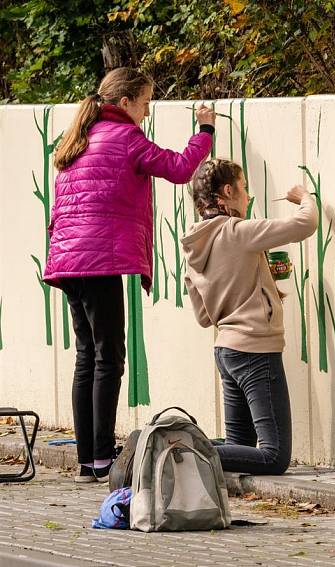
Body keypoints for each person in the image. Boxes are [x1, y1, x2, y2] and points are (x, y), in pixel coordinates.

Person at [44, 67, 215, 483]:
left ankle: (88, 458)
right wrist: (205, 131)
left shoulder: (78, 138)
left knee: (87, 357)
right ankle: (102, 454)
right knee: (110, 358)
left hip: (68, 262)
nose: (147, 111)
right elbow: (178, 168)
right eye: (144, 102)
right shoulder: (125, 138)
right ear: (124, 103)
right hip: (99, 261)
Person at [181, 158, 317, 475]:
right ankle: (182, 449)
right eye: (243, 189)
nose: (247, 197)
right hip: (256, 349)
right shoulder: (237, 231)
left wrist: (256, 279)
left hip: (225, 350)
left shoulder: (192, 244)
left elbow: (203, 316)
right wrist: (305, 198)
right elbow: (305, 225)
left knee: (237, 444)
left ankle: (178, 445)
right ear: (227, 191)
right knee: (273, 456)